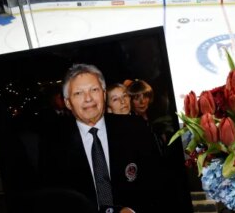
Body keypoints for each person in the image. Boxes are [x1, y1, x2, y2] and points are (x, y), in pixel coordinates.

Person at [37, 64, 162, 213]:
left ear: (103, 95)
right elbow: (52, 200)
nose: (88, 98)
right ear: (68, 103)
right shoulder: (53, 143)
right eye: (78, 93)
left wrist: (133, 210)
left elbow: (158, 183)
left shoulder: (135, 129)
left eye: (94, 90)